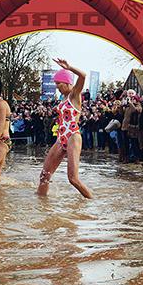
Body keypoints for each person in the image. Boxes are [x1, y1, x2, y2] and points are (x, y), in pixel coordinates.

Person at [37, 59, 93, 199]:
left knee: (73, 179)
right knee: (44, 175)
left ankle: (92, 201)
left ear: (68, 82)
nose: (56, 86)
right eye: (55, 83)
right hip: (61, 138)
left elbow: (83, 76)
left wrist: (69, 67)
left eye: (59, 83)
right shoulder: (63, 98)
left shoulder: (74, 95)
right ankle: (41, 204)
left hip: (73, 136)